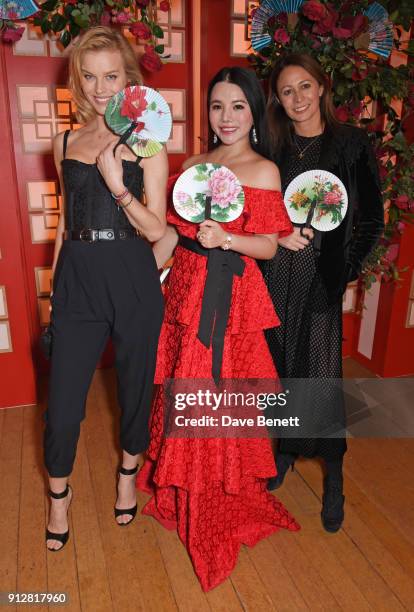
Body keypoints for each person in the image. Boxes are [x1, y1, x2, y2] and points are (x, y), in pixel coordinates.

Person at [137, 67, 299, 592]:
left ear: (255, 111)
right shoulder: (194, 165)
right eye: (216, 106)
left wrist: (227, 238)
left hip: (230, 301)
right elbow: (174, 238)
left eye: (237, 106)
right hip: (185, 289)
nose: (225, 117)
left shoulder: (263, 170)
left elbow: (271, 247)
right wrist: (142, 281)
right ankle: (182, 494)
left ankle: (217, 503)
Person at [44, 26, 167, 551]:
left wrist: (118, 185)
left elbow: (159, 228)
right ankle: (58, 496)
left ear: (129, 79)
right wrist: (55, 289)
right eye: (89, 76)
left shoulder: (148, 142)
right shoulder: (64, 141)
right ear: (77, 79)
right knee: (63, 401)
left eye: (111, 75)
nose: (99, 87)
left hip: (132, 273)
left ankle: (127, 473)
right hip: (78, 275)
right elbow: (65, 220)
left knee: (135, 391)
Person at [260, 53, 384, 532]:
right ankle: (288, 448)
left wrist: (345, 269)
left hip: (320, 279)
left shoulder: (351, 143)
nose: (298, 99)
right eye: (287, 91)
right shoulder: (274, 146)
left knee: (320, 378)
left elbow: (372, 219)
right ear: (278, 99)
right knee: (281, 370)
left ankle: (334, 477)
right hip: (274, 277)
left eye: (305, 87)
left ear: (322, 88)